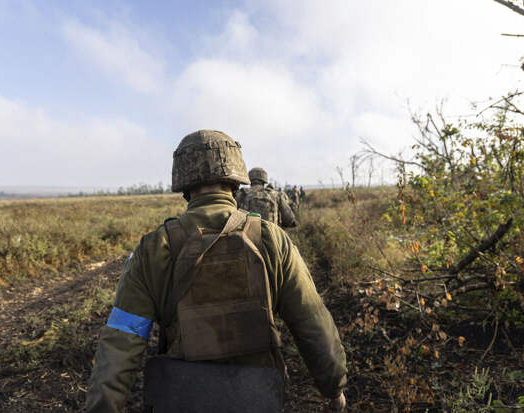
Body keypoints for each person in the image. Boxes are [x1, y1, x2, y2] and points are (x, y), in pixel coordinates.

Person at [85, 130, 347, 413]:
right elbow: (311, 319)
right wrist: (334, 387)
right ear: (236, 180)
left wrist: (102, 407)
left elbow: (122, 339)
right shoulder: (272, 239)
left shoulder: (153, 248)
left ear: (183, 182)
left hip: (183, 396)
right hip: (256, 396)